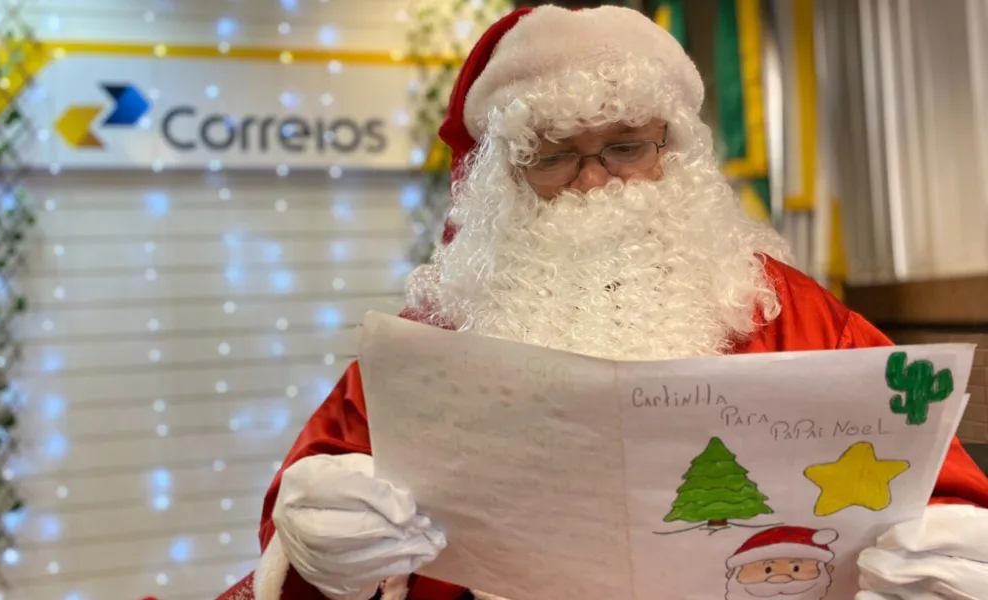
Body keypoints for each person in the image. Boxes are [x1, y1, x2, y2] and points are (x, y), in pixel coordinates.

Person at [215, 6, 988, 600]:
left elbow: (930, 473)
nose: (593, 181)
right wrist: (324, 540)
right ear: (503, 177)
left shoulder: (793, 314)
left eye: (625, 146)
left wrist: (951, 547)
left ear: (675, 149)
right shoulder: (438, 331)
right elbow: (322, 490)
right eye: (553, 156)